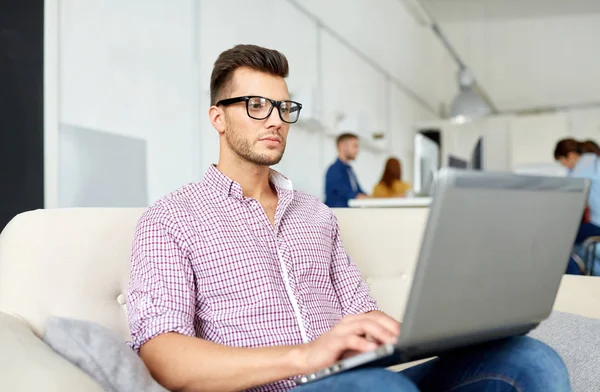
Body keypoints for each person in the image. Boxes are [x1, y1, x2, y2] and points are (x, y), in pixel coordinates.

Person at [127, 44, 570, 392]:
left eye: (283, 108)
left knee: (529, 358)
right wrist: (306, 356)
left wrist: (429, 331)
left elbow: (362, 315)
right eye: (256, 106)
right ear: (218, 118)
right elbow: (163, 355)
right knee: (377, 386)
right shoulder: (171, 219)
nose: (276, 120)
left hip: (361, 381)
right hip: (277, 388)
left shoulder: (316, 216)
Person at [554, 138, 600, 244]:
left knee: (562, 238)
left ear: (571, 155)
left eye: (562, 160)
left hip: (598, 225)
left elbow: (568, 197)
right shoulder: (593, 159)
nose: (563, 165)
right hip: (596, 222)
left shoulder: (582, 166)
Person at [324, 133, 367, 207]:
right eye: (355, 146)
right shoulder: (334, 171)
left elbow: (359, 192)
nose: (357, 151)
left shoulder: (349, 170)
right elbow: (352, 195)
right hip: (340, 215)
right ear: (342, 146)